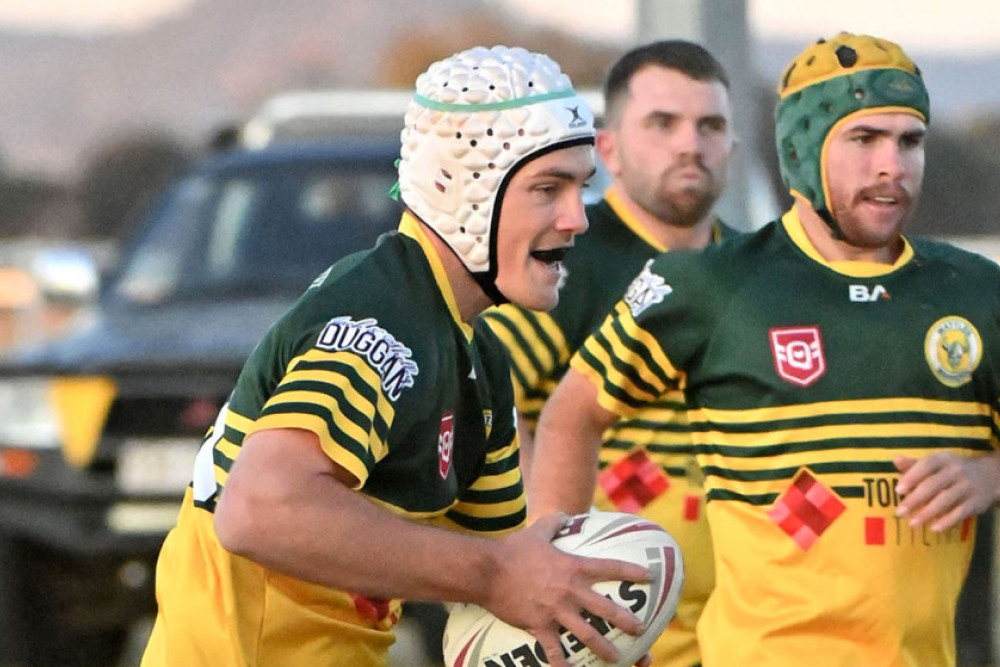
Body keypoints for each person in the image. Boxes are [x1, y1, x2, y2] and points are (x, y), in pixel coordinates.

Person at [140, 45, 651, 667]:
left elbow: (495, 595)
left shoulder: (477, 358)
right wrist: (497, 575)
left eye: (581, 187)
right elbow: (257, 511)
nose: (578, 218)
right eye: (548, 189)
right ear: (462, 187)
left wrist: (586, 640)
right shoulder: (384, 321)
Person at [527, 31, 1000, 666]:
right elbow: (572, 414)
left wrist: (989, 471)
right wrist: (555, 578)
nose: (893, 165)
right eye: (864, 140)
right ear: (801, 148)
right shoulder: (708, 282)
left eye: (909, 140)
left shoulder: (976, 292)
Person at [481, 39, 737, 667]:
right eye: (663, 123)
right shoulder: (568, 262)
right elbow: (489, 399)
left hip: (744, 632)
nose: (689, 144)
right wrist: (537, 564)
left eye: (710, 125)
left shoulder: (754, 270)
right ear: (609, 148)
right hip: (614, 633)